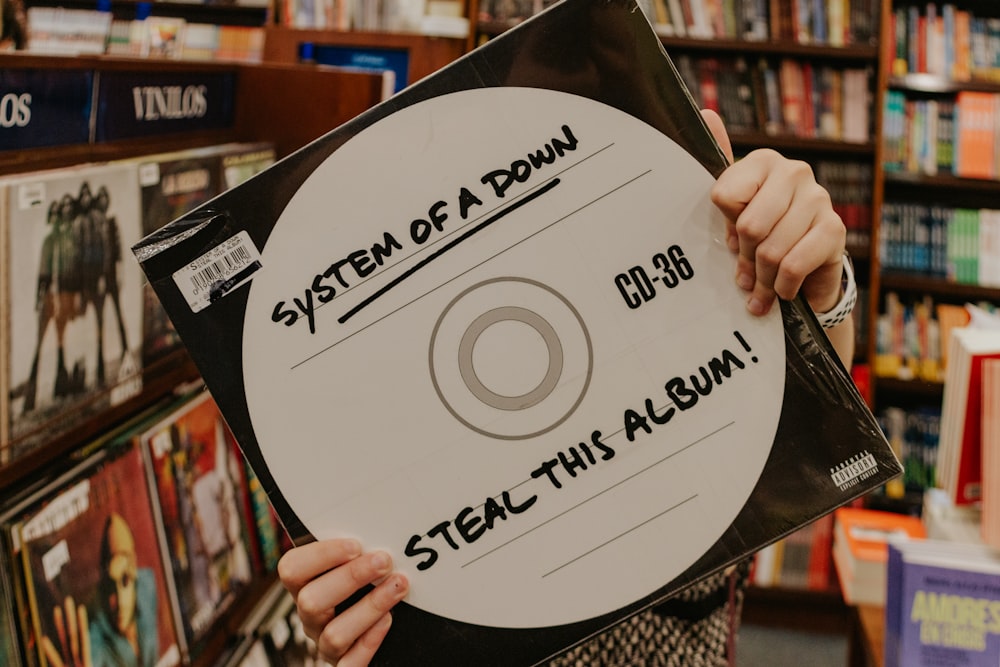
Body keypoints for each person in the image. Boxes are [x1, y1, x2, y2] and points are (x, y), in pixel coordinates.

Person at [276, 109, 857, 666]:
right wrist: (364, 630)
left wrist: (820, 289)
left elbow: (808, 437)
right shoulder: (399, 419)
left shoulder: (684, 324)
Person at [41, 513, 162, 667]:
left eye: (125, 579)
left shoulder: (146, 585)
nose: (120, 600)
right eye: (111, 585)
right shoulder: (94, 629)